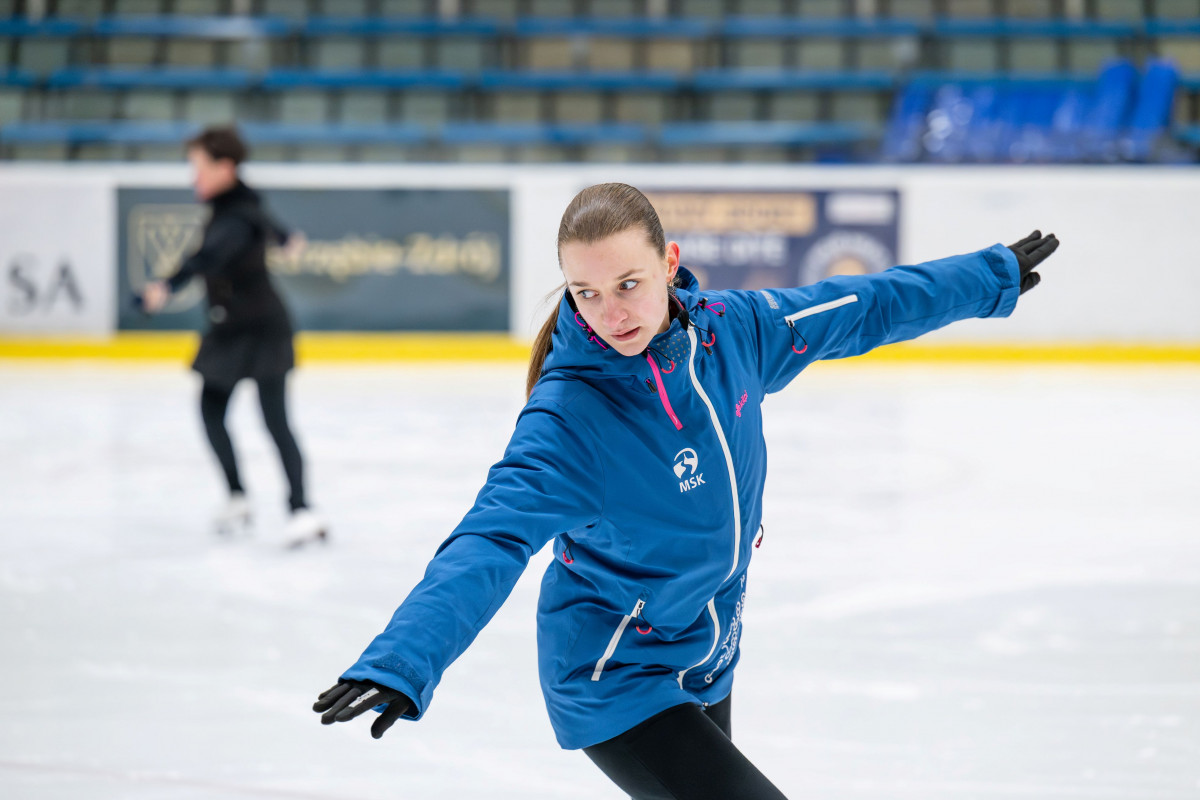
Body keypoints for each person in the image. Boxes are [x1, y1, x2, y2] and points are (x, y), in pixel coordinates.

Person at [312, 183, 1059, 798]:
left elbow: (857, 307)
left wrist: (985, 278)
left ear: (669, 264)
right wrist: (401, 660)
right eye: (586, 293)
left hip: (708, 645)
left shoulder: (735, 333)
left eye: (628, 285)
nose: (611, 314)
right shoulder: (569, 420)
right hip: (615, 673)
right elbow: (490, 538)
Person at [141, 125, 325, 548]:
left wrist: (166, 286)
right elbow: (264, 223)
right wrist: (285, 237)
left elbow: (209, 255)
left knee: (274, 420)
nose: (194, 177)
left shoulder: (236, 216)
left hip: (262, 329)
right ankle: (238, 496)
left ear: (224, 168)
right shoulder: (239, 203)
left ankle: (301, 509)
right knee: (211, 409)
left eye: (199, 167)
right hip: (229, 328)